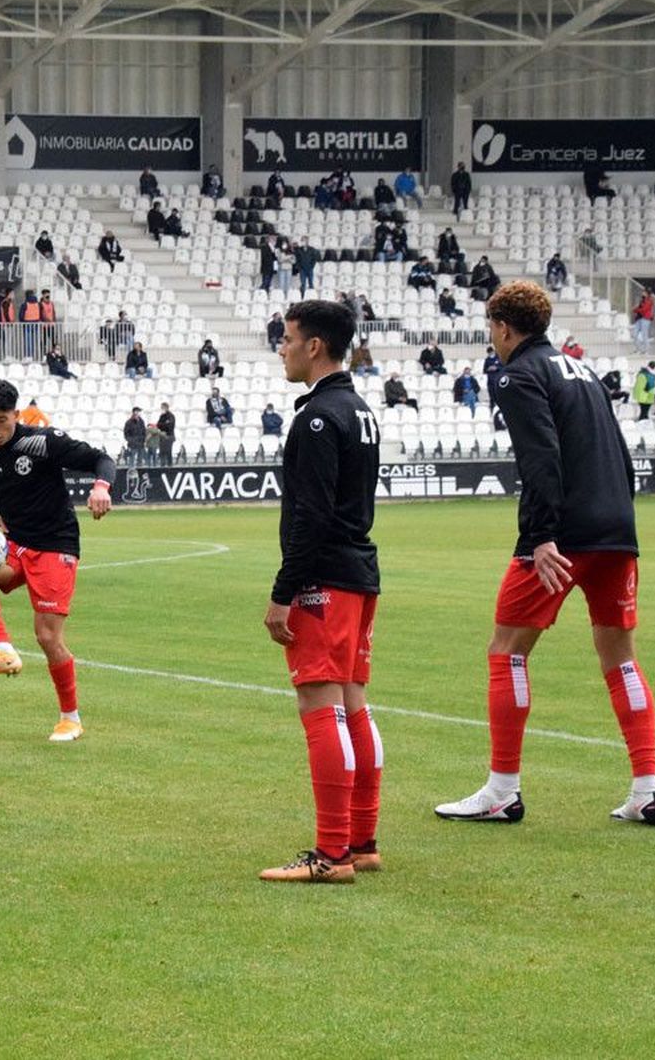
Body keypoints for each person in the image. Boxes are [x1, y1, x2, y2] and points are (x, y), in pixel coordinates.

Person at [433, 281, 655, 828]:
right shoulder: (580, 370)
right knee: (620, 656)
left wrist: (541, 535)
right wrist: (619, 523)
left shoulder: (517, 373)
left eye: (491, 328)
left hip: (561, 535)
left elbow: (540, 455)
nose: (492, 339)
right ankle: (648, 789)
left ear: (505, 328)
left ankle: (502, 790)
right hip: (616, 530)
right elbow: (619, 453)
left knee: (506, 649)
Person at [258, 298, 382, 884]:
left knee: (321, 705)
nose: (281, 348)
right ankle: (362, 840)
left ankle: (331, 854)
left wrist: (285, 590)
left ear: (313, 346)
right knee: (353, 703)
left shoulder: (314, 418)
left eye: (286, 338)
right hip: (358, 574)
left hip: (323, 580)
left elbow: (310, 514)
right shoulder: (359, 410)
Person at [0, 379, 114, 743]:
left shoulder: (43, 442)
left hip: (55, 545)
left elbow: (100, 460)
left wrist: (101, 487)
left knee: (47, 636)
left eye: (1, 419)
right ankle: (2, 649)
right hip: (16, 546)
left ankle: (70, 718)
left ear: (16, 414)